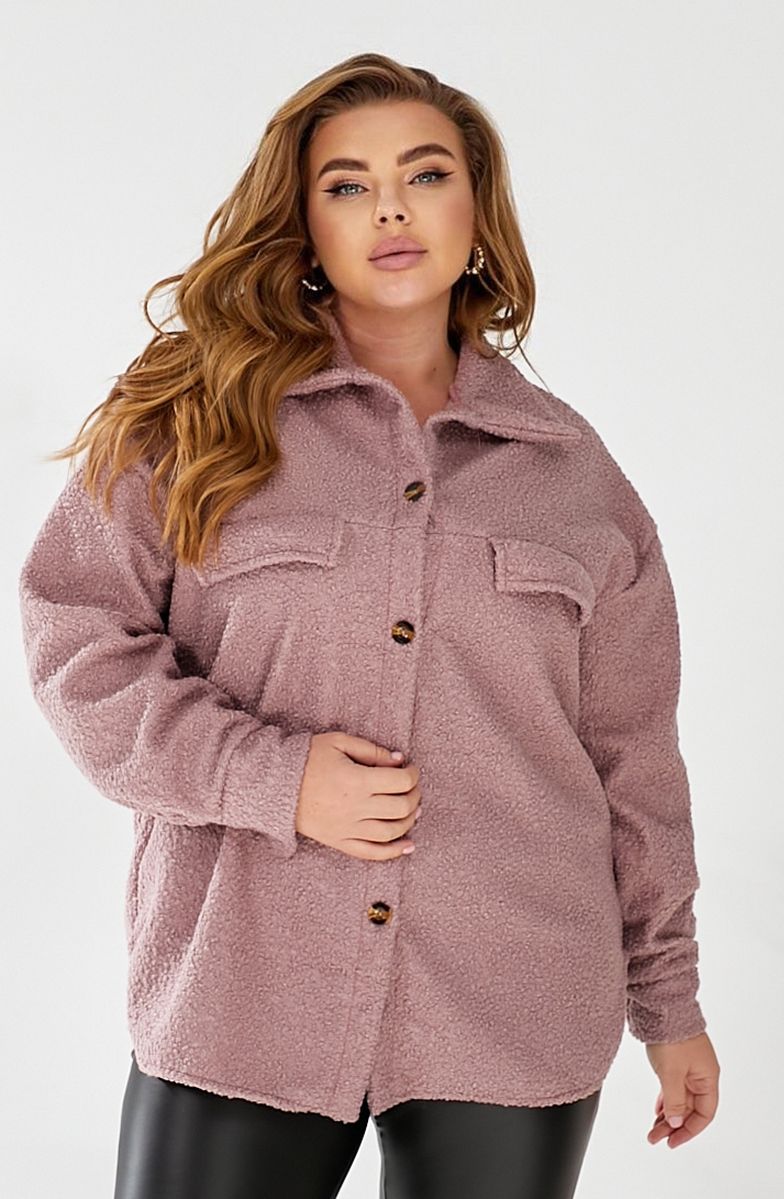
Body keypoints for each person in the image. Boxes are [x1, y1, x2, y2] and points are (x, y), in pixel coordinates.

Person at [18, 52, 720, 1199]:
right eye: (346, 185)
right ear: (304, 225)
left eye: (424, 174)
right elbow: (76, 644)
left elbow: (633, 757)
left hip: (516, 996)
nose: (390, 209)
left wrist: (669, 1002)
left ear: (475, 210)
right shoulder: (193, 418)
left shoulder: (572, 476)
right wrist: (271, 776)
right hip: (241, 995)